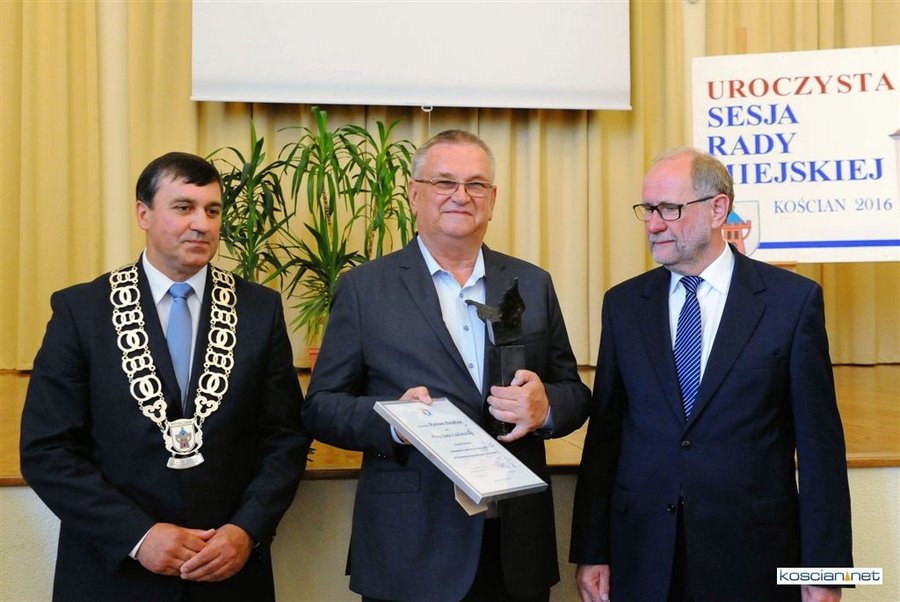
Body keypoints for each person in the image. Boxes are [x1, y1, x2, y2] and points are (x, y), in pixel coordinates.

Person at [303, 129, 591, 601]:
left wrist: (546, 408)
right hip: (411, 550)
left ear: (492, 199)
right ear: (414, 194)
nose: (461, 195)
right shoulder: (364, 289)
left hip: (514, 550)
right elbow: (320, 407)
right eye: (444, 182)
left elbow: (574, 392)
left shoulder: (532, 283)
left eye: (476, 184)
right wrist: (394, 421)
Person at [20, 151, 310, 601]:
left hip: (228, 574)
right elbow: (47, 449)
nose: (202, 224)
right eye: (183, 207)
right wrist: (138, 536)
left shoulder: (259, 310)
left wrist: (247, 530)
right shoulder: (82, 311)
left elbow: (285, 438)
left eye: (212, 210)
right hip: (113, 576)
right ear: (144, 214)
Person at [570, 147, 853, 602]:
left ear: (718, 209)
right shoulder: (623, 305)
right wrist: (591, 550)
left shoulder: (791, 302)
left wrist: (825, 572)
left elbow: (820, 449)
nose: (654, 224)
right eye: (648, 209)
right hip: (642, 553)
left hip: (752, 558)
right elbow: (605, 437)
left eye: (669, 209)